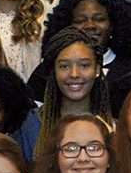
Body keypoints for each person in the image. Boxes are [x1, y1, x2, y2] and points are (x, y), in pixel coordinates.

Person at [18, 26, 116, 158]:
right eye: (64, 66)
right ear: (54, 71)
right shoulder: (32, 126)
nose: (74, 74)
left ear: (97, 69)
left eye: (84, 65)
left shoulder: (114, 128)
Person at [28, 0, 131, 100]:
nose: (90, 26)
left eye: (99, 19)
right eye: (80, 21)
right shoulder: (48, 69)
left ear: (112, 25)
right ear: (66, 26)